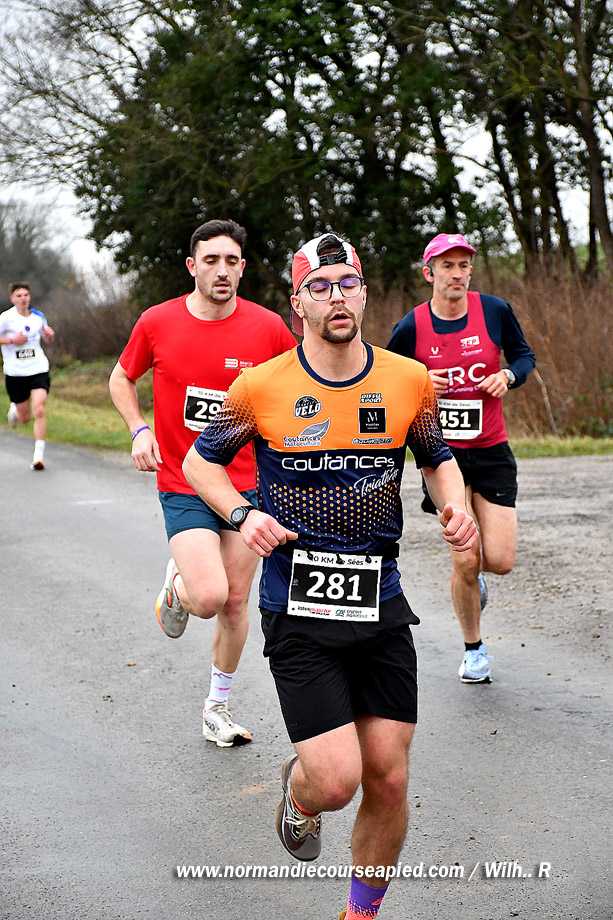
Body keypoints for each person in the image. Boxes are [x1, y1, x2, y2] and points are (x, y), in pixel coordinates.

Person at [183, 232, 477, 920]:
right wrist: (241, 512)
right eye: (319, 286)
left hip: (381, 601)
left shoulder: (407, 379)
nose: (336, 296)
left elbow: (437, 458)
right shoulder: (261, 386)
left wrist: (455, 505)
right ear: (298, 304)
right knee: (338, 782)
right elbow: (200, 462)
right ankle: (302, 792)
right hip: (299, 608)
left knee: (389, 777)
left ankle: (360, 913)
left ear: (365, 294)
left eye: (347, 283)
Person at [109, 219, 296, 747]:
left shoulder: (268, 328)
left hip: (246, 487)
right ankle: (179, 585)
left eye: (231, 261)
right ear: (192, 266)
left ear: (243, 267)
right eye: (211, 260)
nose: (222, 270)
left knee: (236, 602)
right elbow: (121, 377)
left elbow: (300, 385)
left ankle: (217, 707)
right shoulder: (157, 322)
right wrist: (139, 429)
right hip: (184, 482)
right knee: (210, 596)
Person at [387, 232, 536, 684]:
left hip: (491, 449)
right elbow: (386, 379)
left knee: (500, 559)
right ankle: (474, 651)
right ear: (428, 272)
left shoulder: (494, 311)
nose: (457, 274)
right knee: (465, 559)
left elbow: (524, 356)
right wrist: (419, 381)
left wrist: (508, 375)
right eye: (447, 266)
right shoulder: (412, 325)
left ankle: (475, 581)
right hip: (440, 455)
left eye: (464, 265)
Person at [1, 282, 56, 470]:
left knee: (39, 409)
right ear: (12, 299)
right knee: (25, 418)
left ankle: (38, 456)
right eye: (19, 295)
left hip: (38, 368)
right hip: (15, 373)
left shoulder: (38, 317)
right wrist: (11, 340)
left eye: (26, 295)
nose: (23, 298)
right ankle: (15, 411)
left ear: (29, 297)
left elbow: (46, 338)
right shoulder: (6, 318)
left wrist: (49, 335)